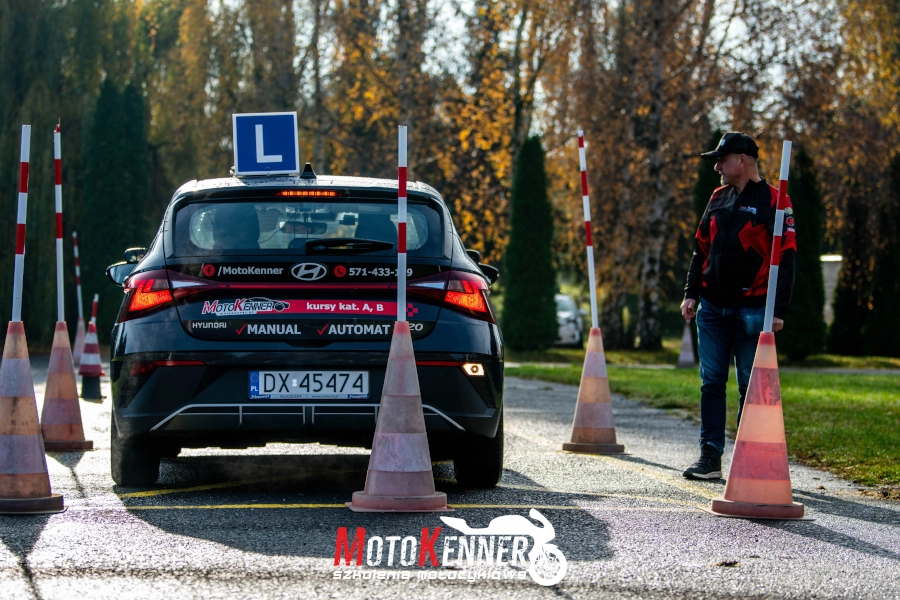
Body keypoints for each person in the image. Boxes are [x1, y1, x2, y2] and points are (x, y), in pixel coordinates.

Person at [680, 132, 797, 480]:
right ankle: (710, 458)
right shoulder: (717, 197)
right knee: (711, 383)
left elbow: (787, 259)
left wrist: (778, 311)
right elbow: (701, 248)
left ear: (742, 160)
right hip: (712, 308)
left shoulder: (776, 202)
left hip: (753, 309)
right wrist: (691, 292)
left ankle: (751, 460)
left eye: (722, 159)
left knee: (751, 386)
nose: (717, 166)